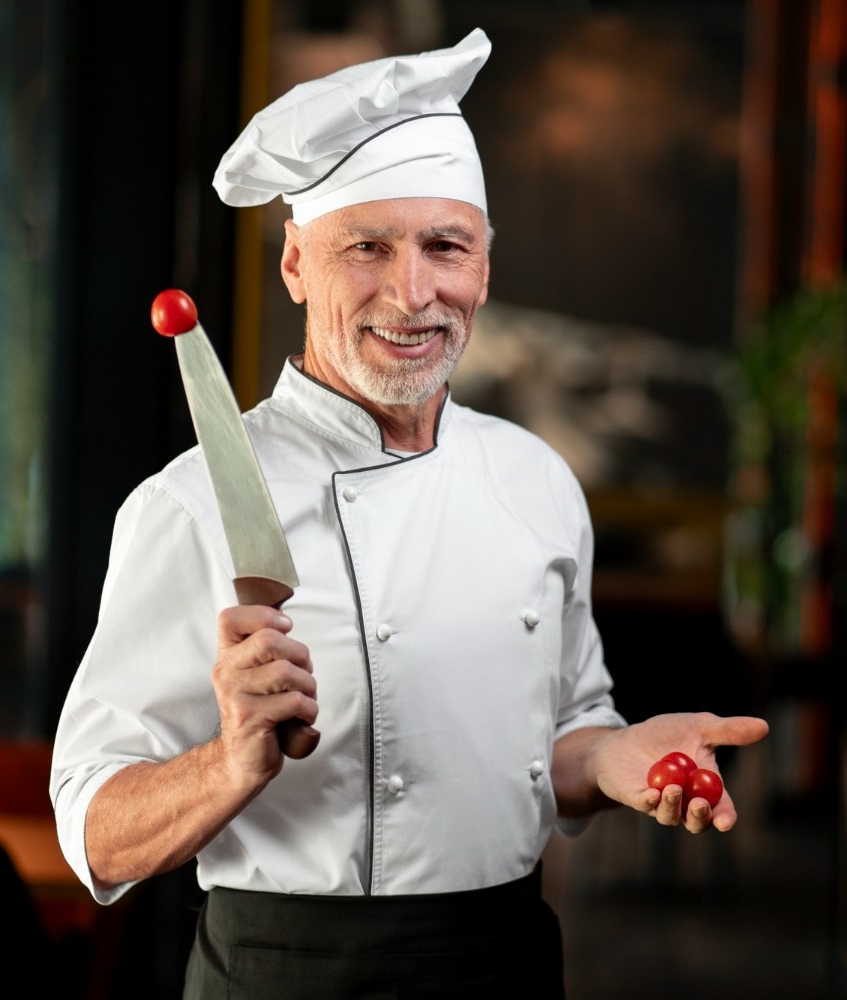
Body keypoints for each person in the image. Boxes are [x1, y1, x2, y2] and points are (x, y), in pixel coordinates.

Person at [51, 28, 769, 998]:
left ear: (485, 264)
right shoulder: (189, 506)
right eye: (368, 248)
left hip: (500, 959)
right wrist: (229, 765)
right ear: (297, 262)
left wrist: (616, 757)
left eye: (445, 246)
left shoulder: (536, 480)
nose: (413, 291)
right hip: (285, 971)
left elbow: (549, 747)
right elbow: (94, 831)